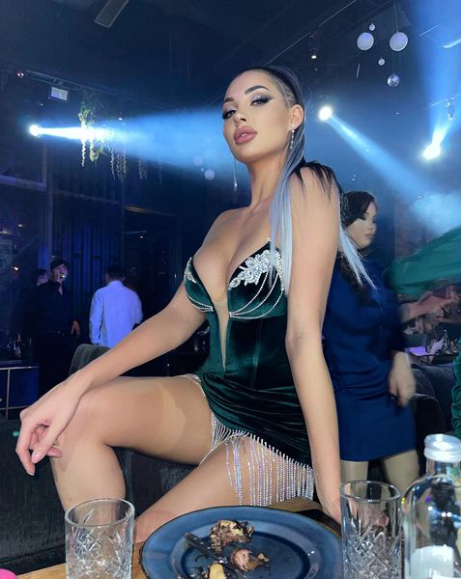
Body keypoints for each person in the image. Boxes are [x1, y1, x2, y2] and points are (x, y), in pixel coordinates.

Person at [16, 66, 368, 541]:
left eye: (258, 100)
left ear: (294, 117)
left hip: (275, 426)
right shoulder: (224, 221)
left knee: (149, 535)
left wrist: (331, 488)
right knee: (71, 420)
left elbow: (303, 336)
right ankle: (99, 564)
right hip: (211, 397)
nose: (238, 115)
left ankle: (116, 561)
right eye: (228, 110)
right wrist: (70, 387)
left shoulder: (310, 186)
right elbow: (175, 319)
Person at [322, 190, 418, 493]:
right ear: (342, 220)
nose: (371, 226)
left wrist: (400, 359)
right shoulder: (321, 272)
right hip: (349, 394)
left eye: (375, 219)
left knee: (412, 496)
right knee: (354, 507)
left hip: (387, 391)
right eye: (363, 218)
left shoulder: (372, 269)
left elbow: (390, 322)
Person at [29, 258, 80, 396]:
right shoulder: (43, 289)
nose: (62, 271)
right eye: (58, 268)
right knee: (48, 378)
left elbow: (68, 310)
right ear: (52, 271)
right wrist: (57, 284)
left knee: (63, 376)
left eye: (65, 268)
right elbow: (42, 308)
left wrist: (74, 320)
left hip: (64, 339)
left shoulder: (68, 291)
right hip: (48, 338)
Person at [89, 265, 143, 348]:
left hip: (106, 345)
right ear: (123, 278)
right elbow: (138, 319)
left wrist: (94, 341)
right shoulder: (133, 295)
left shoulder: (100, 293)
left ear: (107, 276)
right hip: (127, 345)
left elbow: (94, 321)